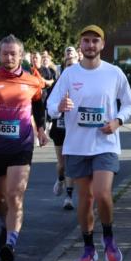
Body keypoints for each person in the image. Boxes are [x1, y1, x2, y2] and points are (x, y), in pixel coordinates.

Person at [47, 25, 131, 261]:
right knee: (85, 199)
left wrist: (117, 121)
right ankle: (88, 248)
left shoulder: (114, 73)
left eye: (95, 41)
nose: (90, 45)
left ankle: (109, 239)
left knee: (102, 193)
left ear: (102, 45)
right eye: (86, 41)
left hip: (105, 144)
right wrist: (59, 108)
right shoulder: (69, 74)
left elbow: (129, 103)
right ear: (80, 45)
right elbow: (51, 105)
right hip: (77, 146)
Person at [0, 35, 48, 261]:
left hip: (21, 146)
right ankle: (5, 224)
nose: (9, 57)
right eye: (5, 53)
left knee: (15, 195)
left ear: (21, 56)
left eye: (13, 53)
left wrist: (41, 129)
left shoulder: (32, 81)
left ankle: (10, 243)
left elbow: (38, 104)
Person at [49, 51, 76, 210]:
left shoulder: (82, 84)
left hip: (74, 129)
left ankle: (69, 197)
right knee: (62, 164)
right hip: (59, 128)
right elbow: (49, 105)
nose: (71, 69)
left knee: (70, 163)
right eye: (68, 66)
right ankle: (60, 179)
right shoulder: (58, 84)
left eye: (73, 66)